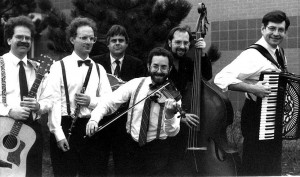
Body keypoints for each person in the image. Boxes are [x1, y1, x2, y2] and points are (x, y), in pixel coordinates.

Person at [214, 10, 290, 176]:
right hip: (256, 116)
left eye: (281, 30)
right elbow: (221, 78)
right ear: (262, 29)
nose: (276, 33)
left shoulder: (279, 52)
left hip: (271, 116)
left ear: (285, 32)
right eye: (272, 28)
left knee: (271, 163)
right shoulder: (253, 54)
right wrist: (252, 88)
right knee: (255, 163)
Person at [87, 47, 181, 176]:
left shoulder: (173, 96)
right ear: (149, 66)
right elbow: (109, 102)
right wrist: (94, 119)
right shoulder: (135, 84)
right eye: (155, 66)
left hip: (157, 149)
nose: (159, 71)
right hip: (131, 146)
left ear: (169, 69)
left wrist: (169, 115)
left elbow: (173, 131)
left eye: (164, 67)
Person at [47, 17, 112, 177]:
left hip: (92, 129)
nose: (89, 42)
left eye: (92, 38)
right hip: (65, 126)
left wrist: (91, 101)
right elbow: (53, 102)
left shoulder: (99, 69)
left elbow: (110, 102)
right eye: (83, 38)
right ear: (72, 39)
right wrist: (59, 135)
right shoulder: (58, 67)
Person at [0, 15, 51, 177]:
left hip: (32, 131)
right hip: (4, 130)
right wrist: (9, 112)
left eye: (27, 38)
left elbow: (49, 99)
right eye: (19, 37)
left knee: (32, 173)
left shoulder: (38, 68)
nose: (24, 41)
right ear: (9, 40)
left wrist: (39, 106)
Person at [92, 24, 146, 176]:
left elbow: (140, 93)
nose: (117, 43)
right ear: (107, 43)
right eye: (113, 40)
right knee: (98, 165)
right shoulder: (95, 63)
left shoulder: (137, 64)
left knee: (124, 166)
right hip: (101, 120)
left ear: (126, 43)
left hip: (124, 122)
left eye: (121, 40)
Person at [165, 26, 212, 175]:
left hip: (185, 130)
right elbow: (160, 94)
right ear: (169, 42)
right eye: (178, 42)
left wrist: (202, 54)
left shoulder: (187, 62)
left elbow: (206, 75)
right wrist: (181, 116)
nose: (182, 46)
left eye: (186, 43)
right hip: (165, 128)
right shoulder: (160, 62)